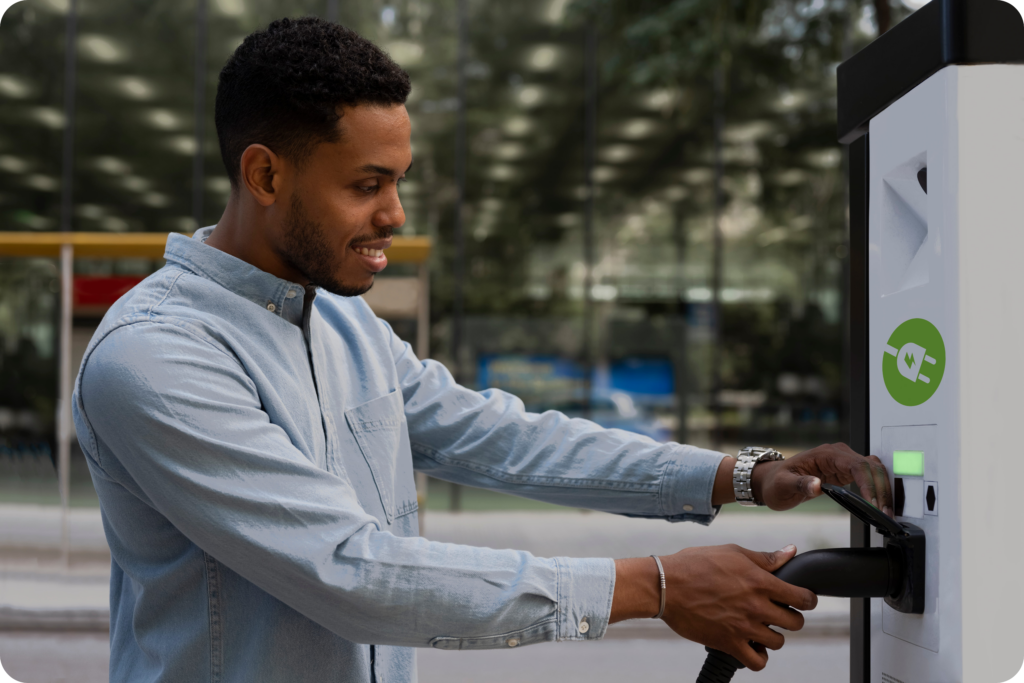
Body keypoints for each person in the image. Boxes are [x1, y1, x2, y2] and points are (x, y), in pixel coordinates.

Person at [73, 17, 892, 683]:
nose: (395, 214)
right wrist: (656, 585)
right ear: (265, 176)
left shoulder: (343, 324)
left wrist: (741, 473)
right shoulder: (155, 359)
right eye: (366, 185)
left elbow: (498, 435)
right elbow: (351, 572)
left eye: (400, 180)